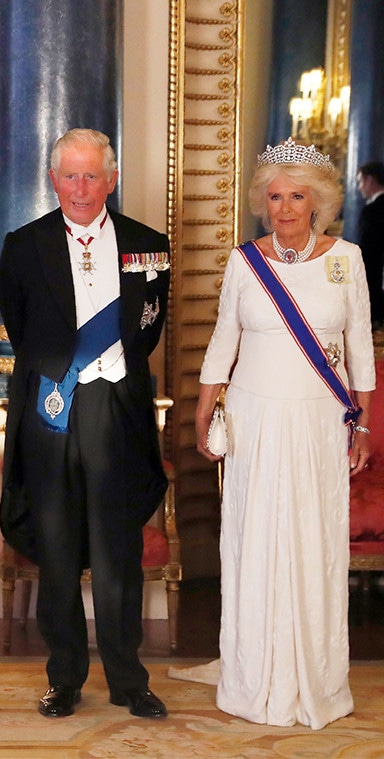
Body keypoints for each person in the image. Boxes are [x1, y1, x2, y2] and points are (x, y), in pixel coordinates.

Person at [196, 138, 374, 730]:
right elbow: (224, 340)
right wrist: (204, 408)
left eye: (297, 196)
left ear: (318, 200)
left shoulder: (346, 258)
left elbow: (360, 349)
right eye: (275, 196)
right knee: (256, 539)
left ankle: (315, 679)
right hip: (255, 418)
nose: (285, 207)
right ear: (261, 202)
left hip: (320, 418)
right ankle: (254, 678)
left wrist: (364, 423)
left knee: (313, 540)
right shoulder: (244, 262)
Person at [0, 128, 171, 720]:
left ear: (111, 180)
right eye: (69, 175)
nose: (80, 187)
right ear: (53, 180)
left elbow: (148, 328)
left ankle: (129, 680)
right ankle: (64, 678)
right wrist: (62, 374)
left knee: (119, 551)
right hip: (52, 409)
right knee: (60, 550)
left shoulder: (149, 246)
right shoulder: (23, 246)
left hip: (115, 408)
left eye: (91, 175)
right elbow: (23, 332)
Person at [356, 161, 384, 326]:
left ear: (370, 180)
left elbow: (368, 249)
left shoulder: (373, 210)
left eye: (360, 181)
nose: (359, 187)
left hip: (375, 275)